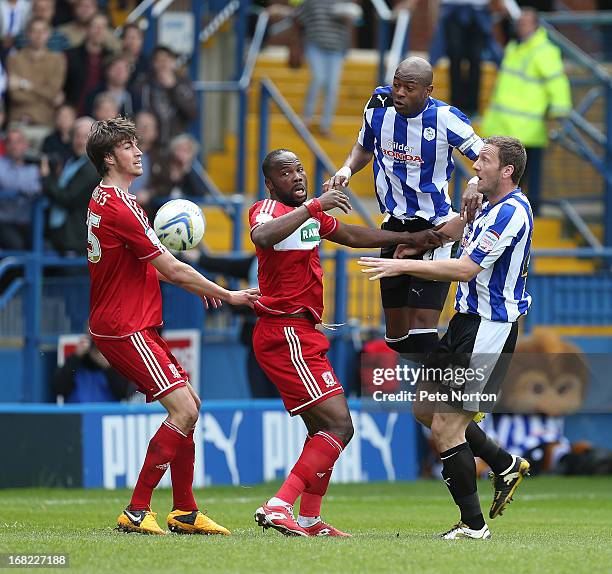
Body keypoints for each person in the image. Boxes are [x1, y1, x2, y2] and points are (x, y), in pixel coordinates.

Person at [250, 148, 447, 537]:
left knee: (321, 430)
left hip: (302, 333)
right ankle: (278, 505)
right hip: (286, 333)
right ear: (271, 184)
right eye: (286, 173)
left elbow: (354, 235)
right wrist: (313, 207)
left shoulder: (309, 215)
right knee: (340, 426)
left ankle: (308, 519)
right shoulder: (268, 211)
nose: (298, 176)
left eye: (300, 169)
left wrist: (410, 236)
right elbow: (261, 235)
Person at [85, 117, 259, 535]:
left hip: (126, 322)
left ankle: (184, 510)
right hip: (125, 325)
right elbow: (170, 266)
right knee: (183, 408)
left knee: (190, 406)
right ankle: (136, 509)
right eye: (128, 146)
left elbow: (151, 265)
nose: (138, 151)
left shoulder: (106, 198)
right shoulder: (123, 207)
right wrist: (230, 294)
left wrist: (190, 281)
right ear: (110, 158)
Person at [359, 135, 533, 539]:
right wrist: (412, 245)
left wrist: (405, 269)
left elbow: (465, 269)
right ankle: (504, 464)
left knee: (446, 430)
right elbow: (452, 229)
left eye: (484, 161)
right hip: (464, 323)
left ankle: (473, 527)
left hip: (488, 330)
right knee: (424, 408)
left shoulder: (511, 213)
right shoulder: (486, 204)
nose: (475, 165)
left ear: (506, 171)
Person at [325, 56, 483, 364]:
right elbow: (363, 147)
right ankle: (454, 369)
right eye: (397, 84)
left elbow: (486, 155)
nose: (399, 93)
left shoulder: (446, 118)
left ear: (428, 90)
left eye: (408, 88)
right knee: (398, 338)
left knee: (423, 330)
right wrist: (345, 170)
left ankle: (459, 386)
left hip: (435, 227)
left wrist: (476, 181)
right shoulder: (378, 104)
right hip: (393, 229)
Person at [481, 8, 571, 215]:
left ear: (536, 25)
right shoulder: (514, 47)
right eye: (519, 21)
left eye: (526, 22)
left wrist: (560, 109)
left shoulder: (543, 50)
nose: (520, 25)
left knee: (522, 179)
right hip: (504, 127)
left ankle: (527, 214)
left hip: (527, 130)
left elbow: (556, 81)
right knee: (495, 177)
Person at [42, 115, 98, 255]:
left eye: (85, 136)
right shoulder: (72, 161)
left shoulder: (91, 167)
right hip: (63, 234)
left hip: (75, 238)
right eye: (77, 136)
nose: (80, 141)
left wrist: (47, 177)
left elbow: (68, 198)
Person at [6, 17, 66, 144]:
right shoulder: (14, 59)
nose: (39, 35)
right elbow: (15, 95)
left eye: (43, 31)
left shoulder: (58, 60)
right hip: (18, 125)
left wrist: (25, 84)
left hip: (45, 125)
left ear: (49, 34)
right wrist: (47, 94)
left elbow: (53, 93)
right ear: (27, 34)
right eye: (34, 31)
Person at [136, 46, 197, 146]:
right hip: (151, 144)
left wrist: (172, 88)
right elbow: (138, 112)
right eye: (159, 60)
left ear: (173, 63)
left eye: (166, 60)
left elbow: (192, 112)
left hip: (177, 142)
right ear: (153, 64)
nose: (163, 64)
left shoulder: (183, 83)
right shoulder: (144, 84)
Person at [52, 334, 135, 402]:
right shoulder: (75, 364)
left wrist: (108, 366)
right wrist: (76, 356)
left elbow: (124, 393)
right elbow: (58, 389)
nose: (96, 352)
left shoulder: (115, 364)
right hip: (77, 418)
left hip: (105, 417)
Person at [63, 11, 113, 116]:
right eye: (96, 26)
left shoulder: (111, 57)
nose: (99, 31)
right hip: (75, 111)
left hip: (101, 114)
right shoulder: (71, 55)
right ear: (87, 29)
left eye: (103, 27)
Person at [0, 125, 41, 251]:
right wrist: (26, 189)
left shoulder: (33, 168)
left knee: (43, 246)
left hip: (28, 222)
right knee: (16, 246)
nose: (14, 146)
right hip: (4, 221)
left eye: (18, 142)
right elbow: (8, 183)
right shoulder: (1, 164)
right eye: (10, 142)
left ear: (26, 145)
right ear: (6, 146)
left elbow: (38, 188)